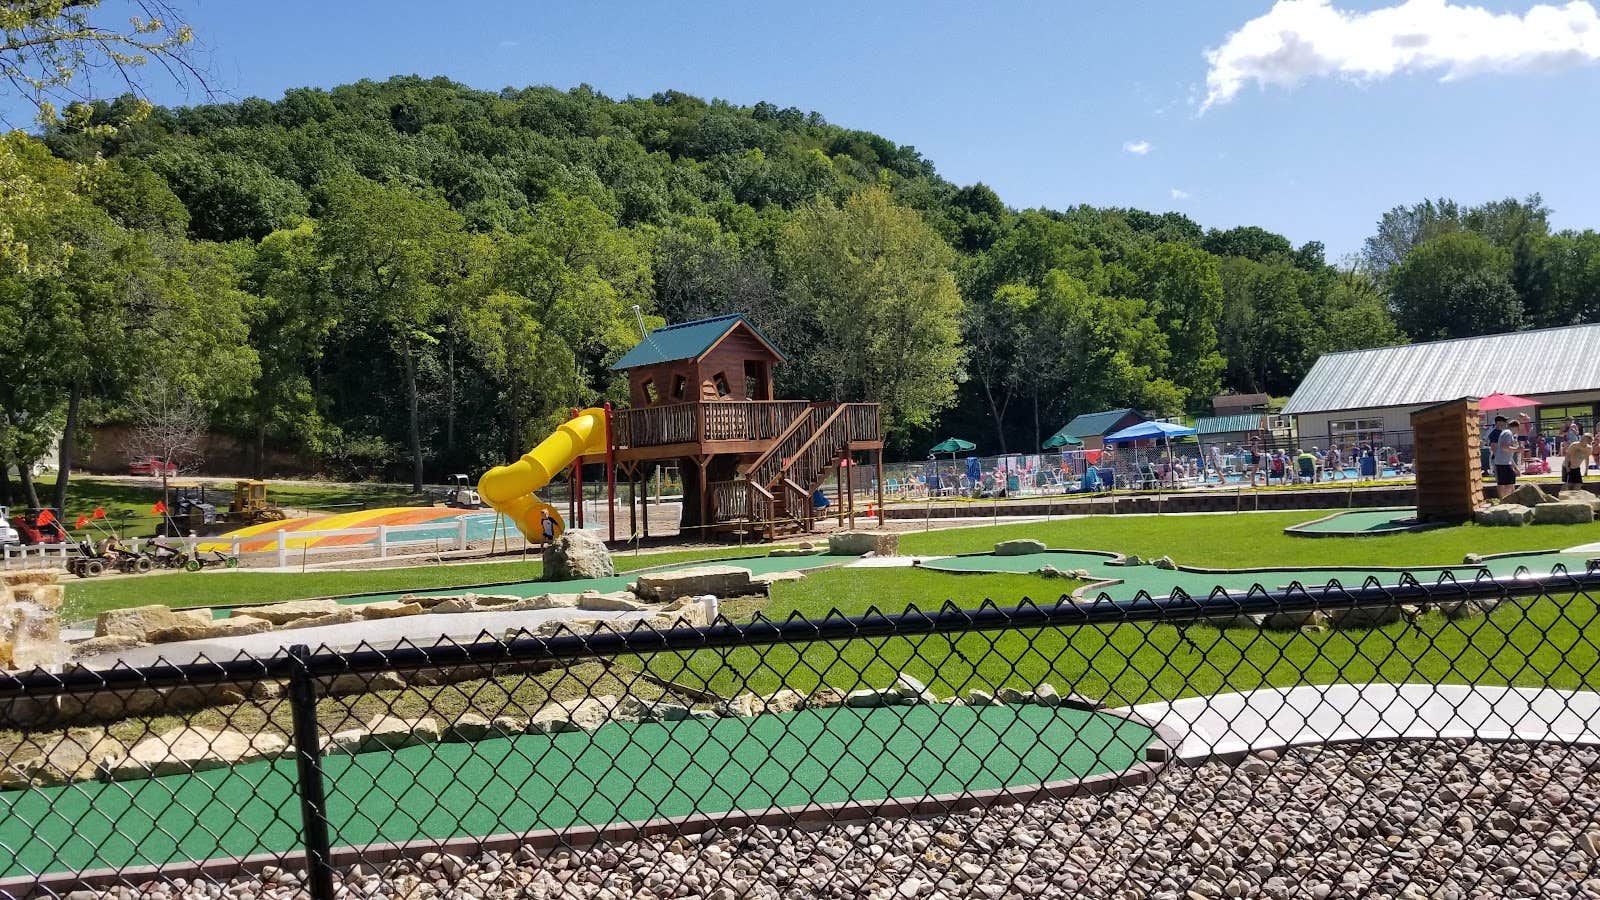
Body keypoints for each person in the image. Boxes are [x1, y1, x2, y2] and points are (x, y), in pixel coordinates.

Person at [1493, 420, 1522, 498]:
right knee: (1509, 482)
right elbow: (1504, 447)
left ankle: (1505, 499)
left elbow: (1508, 454)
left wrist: (1515, 467)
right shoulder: (1508, 433)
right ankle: (1507, 499)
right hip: (1503, 463)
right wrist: (1517, 449)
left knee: (1505, 482)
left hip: (1502, 462)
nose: (1518, 431)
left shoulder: (1505, 433)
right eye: (1518, 429)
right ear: (1515, 427)